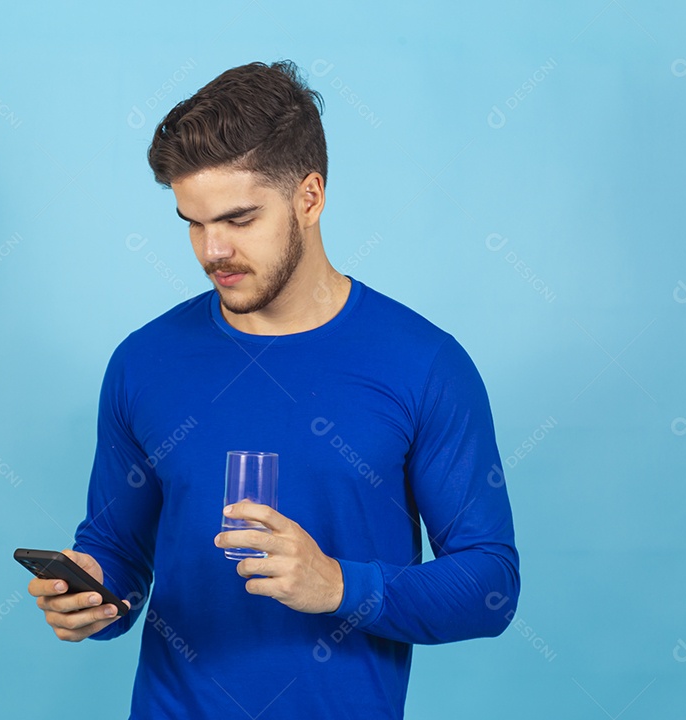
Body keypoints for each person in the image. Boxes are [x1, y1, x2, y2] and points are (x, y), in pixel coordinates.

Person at [28, 59, 520, 719]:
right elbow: (117, 553)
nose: (212, 250)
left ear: (310, 197)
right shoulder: (144, 362)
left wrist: (340, 585)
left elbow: (491, 585)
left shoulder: (424, 364)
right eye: (193, 223)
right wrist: (90, 599)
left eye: (238, 219)